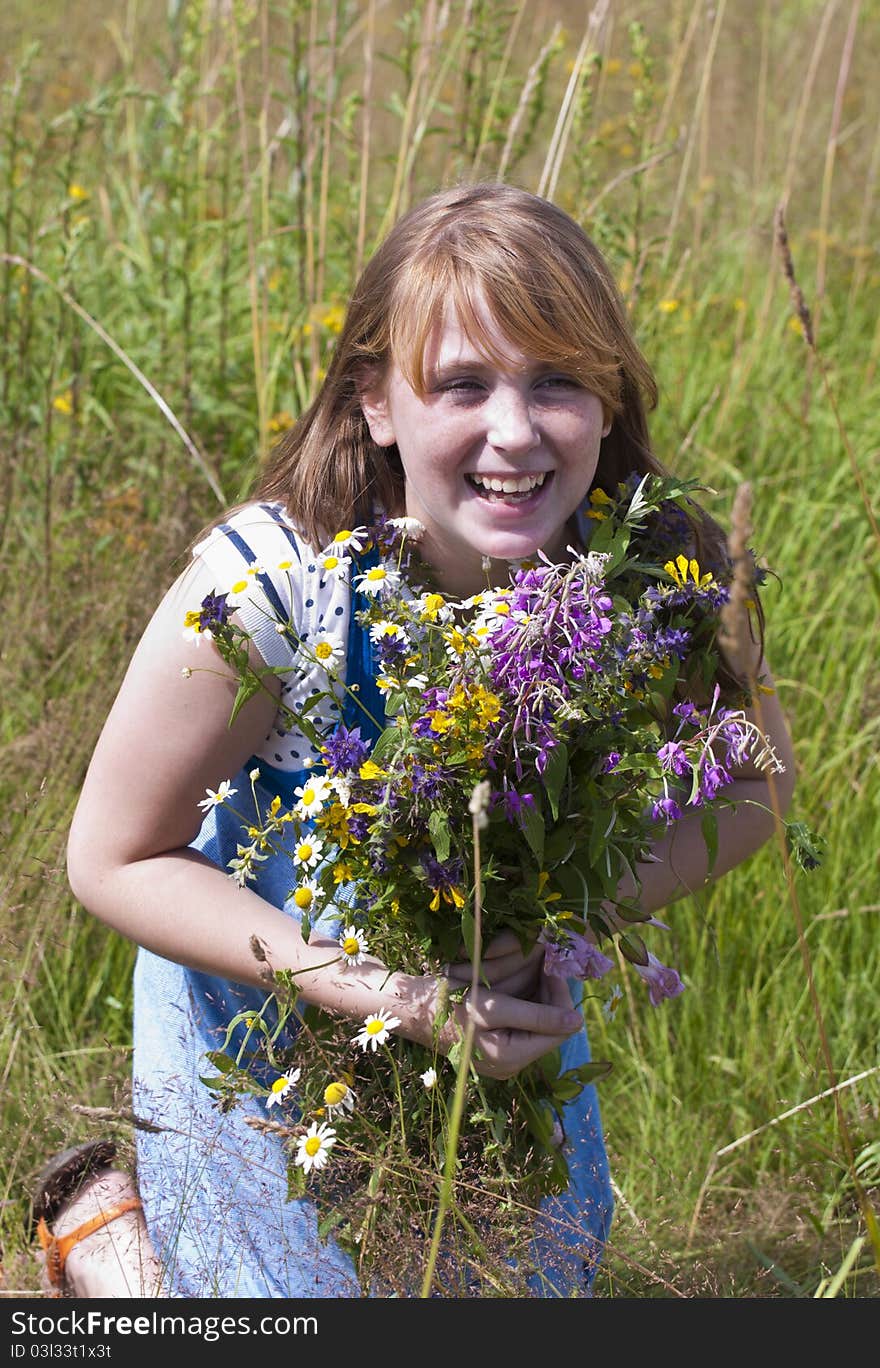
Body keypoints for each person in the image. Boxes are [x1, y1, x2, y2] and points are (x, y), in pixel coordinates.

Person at [38, 181, 796, 1299]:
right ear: (375, 402)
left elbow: (754, 782)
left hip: (494, 1016)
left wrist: (567, 923)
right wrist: (391, 994)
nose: (515, 431)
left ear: (607, 394)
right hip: (274, 1021)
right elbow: (112, 858)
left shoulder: (644, 557)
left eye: (557, 382)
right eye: (461, 384)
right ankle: (105, 1241)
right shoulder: (270, 589)